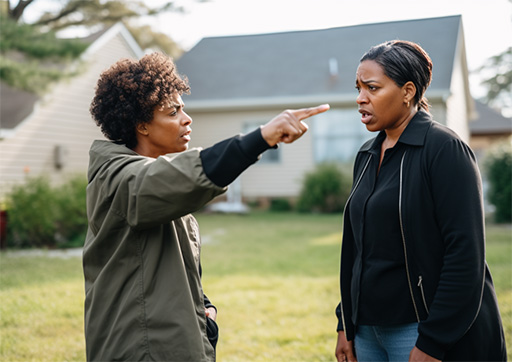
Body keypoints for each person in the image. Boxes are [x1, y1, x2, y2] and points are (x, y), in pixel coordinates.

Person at [83, 52, 329, 361]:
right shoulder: (122, 180)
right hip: (140, 349)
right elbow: (187, 174)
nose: (187, 119)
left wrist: (203, 305)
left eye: (183, 109)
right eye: (173, 112)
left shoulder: (153, 176)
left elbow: (161, 261)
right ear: (141, 125)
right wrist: (262, 137)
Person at [334, 40, 506, 362]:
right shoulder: (367, 155)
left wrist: (433, 342)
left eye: (372, 87)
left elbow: (464, 254)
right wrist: (346, 322)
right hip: (366, 330)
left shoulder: (444, 150)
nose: (360, 98)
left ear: (408, 91)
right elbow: (358, 249)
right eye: (358, 88)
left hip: (419, 330)